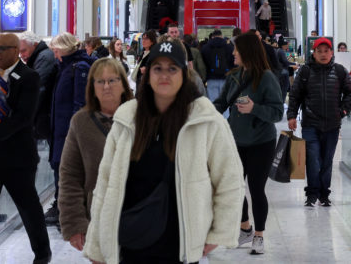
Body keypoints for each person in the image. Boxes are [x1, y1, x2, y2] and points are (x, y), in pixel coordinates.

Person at [83, 39, 244, 264]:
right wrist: (97, 245)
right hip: (131, 240)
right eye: (157, 68)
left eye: (172, 68)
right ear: (147, 75)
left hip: (180, 246)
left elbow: (229, 180)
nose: (164, 75)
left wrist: (219, 233)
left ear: (184, 73)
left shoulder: (206, 121)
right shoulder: (127, 119)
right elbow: (106, 184)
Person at [0, 32, 52, 264]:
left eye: (1, 49)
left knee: (29, 208)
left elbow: (24, 117)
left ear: (16, 50)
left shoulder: (28, 76)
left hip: (18, 157)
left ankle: (42, 254)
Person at [213, 31, 283, 255]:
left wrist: (255, 108)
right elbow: (222, 102)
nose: (233, 53)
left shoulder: (267, 78)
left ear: (247, 52)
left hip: (261, 143)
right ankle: (244, 227)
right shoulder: (234, 76)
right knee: (234, 188)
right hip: (236, 141)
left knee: (256, 189)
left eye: (236, 49)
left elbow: (277, 113)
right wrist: (204, 113)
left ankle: (259, 235)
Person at [59, 59, 133, 253]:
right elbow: (70, 176)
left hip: (139, 216)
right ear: (92, 87)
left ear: (124, 84)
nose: (106, 86)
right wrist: (74, 224)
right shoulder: (81, 122)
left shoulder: (143, 117)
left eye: (112, 80)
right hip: (99, 219)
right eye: (99, 81)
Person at [287, 37, 351, 207]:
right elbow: (295, 95)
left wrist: (343, 111)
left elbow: (350, 92)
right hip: (310, 123)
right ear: (314, 53)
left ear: (332, 53)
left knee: (326, 161)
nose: (323, 54)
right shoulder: (305, 72)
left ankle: (324, 194)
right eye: (319, 51)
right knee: (313, 159)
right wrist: (292, 115)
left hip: (332, 124)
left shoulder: (340, 71)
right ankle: (312, 194)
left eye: (326, 51)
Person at [46, 32, 94, 227]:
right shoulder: (64, 68)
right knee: (60, 169)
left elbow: (79, 103)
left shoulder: (78, 68)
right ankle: (62, 209)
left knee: (66, 171)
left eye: (56, 50)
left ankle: (68, 213)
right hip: (59, 130)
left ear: (63, 49)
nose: (54, 54)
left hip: (67, 132)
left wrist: (74, 133)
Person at [200, 28, 235, 103]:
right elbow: (233, 63)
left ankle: (214, 114)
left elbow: (203, 64)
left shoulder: (205, 48)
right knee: (225, 102)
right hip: (226, 78)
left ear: (212, 37)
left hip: (211, 78)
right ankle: (225, 115)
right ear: (221, 36)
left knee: (213, 102)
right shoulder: (229, 47)